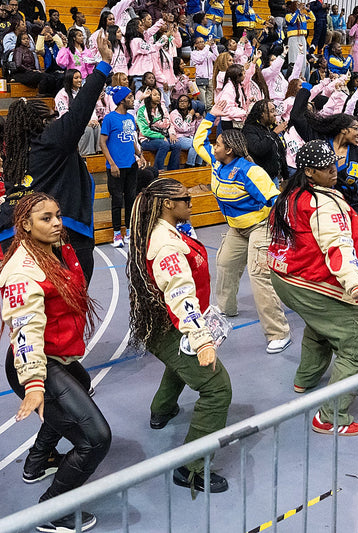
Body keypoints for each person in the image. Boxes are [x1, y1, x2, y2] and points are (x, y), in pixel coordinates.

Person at [0, 192, 109, 533]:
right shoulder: (22, 273)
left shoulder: (57, 249)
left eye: (58, 215)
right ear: (25, 225)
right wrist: (35, 384)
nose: (57, 223)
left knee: (81, 386)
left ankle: (38, 460)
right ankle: (52, 510)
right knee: (95, 439)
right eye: (46, 218)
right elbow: (25, 330)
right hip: (38, 362)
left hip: (59, 356)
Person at [127, 178, 232, 492]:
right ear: (167, 204)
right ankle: (191, 468)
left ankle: (161, 409)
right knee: (217, 388)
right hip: (172, 325)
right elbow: (179, 293)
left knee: (179, 366)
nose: (191, 202)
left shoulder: (171, 231)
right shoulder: (166, 243)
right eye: (185, 198)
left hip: (171, 324)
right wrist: (201, 339)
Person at [268, 141, 358, 435]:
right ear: (309, 171)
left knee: (321, 324)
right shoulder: (322, 202)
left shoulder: (291, 195)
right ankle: (329, 417)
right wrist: (354, 282)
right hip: (312, 280)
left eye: (334, 164)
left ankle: (306, 378)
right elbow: (337, 245)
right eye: (326, 168)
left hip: (287, 276)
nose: (334, 171)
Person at [0, 35, 115, 283]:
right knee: (71, 308)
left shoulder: (15, 152)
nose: (57, 120)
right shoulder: (54, 139)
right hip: (62, 233)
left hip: (13, 233)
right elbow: (81, 107)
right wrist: (103, 65)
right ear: (43, 123)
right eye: (52, 116)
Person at [195, 109, 293, 353]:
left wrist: (291, 232)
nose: (212, 146)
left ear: (228, 150)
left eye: (216, 143)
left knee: (259, 276)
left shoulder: (251, 172)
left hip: (260, 227)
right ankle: (226, 309)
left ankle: (279, 332)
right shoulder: (216, 161)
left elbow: (276, 202)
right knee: (225, 264)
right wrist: (211, 115)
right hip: (236, 229)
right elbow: (198, 141)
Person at [101, 87, 146, 247]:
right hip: (116, 166)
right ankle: (116, 234)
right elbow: (102, 142)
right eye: (130, 97)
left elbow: (131, 138)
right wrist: (111, 163)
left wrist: (139, 154)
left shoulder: (130, 118)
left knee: (130, 199)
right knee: (117, 201)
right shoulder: (109, 118)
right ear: (121, 100)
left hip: (131, 164)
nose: (133, 99)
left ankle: (128, 231)